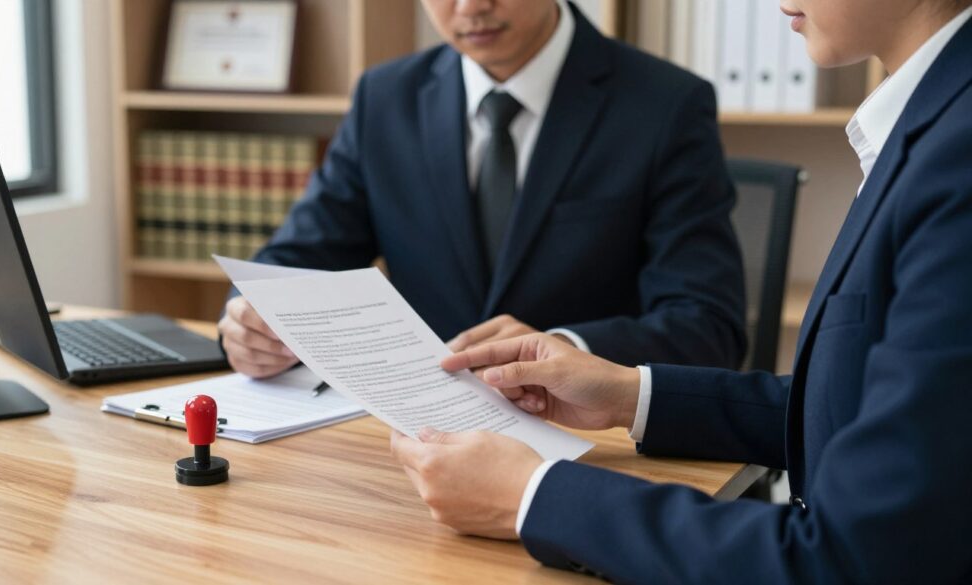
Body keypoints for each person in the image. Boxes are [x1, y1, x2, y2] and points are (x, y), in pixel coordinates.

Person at [390, 0, 972, 582]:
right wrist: (629, 396)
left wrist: (531, 495)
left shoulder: (957, 157)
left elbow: (854, 560)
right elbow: (858, 409)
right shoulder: (933, 119)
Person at [218, 0, 746, 379]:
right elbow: (298, 259)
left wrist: (563, 351)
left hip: (586, 443)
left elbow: (707, 327)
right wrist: (251, 320)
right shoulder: (385, 97)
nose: (470, 7)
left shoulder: (665, 105)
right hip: (414, 433)